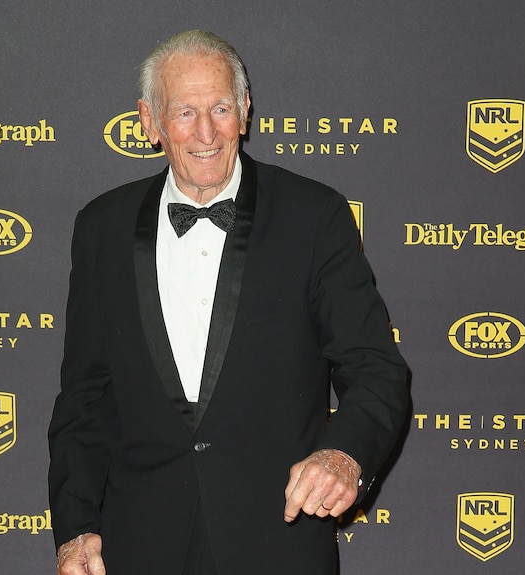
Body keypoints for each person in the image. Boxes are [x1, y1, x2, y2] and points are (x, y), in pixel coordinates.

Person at [48, 29, 409, 575]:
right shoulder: (102, 229)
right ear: (149, 123)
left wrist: (344, 455)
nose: (207, 132)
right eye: (185, 113)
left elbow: (376, 370)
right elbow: (83, 399)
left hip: (278, 542)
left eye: (220, 107)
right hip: (138, 547)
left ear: (244, 110)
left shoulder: (315, 217)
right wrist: (75, 528)